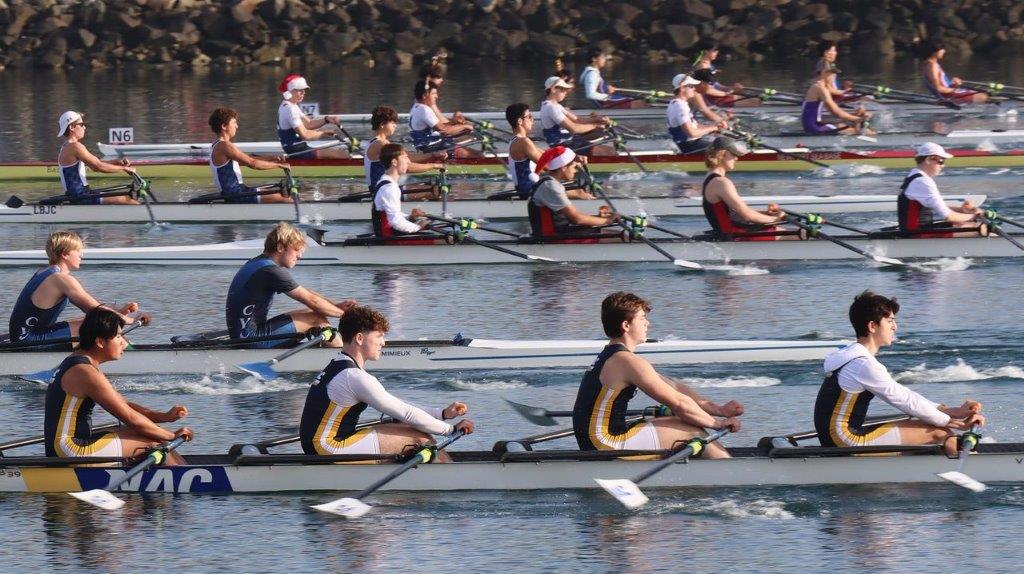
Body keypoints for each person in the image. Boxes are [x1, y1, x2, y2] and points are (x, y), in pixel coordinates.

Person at [573, 292, 742, 458]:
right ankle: (732, 476)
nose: (648, 323)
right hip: (605, 443)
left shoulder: (614, 356)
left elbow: (675, 388)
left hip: (596, 440)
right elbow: (678, 403)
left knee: (682, 421)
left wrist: (719, 410)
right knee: (691, 430)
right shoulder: (627, 362)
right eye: (642, 318)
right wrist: (717, 424)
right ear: (626, 325)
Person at [815, 291, 984, 457]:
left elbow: (905, 395)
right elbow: (905, 401)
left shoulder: (851, 356)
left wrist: (949, 411)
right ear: (872, 326)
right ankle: (972, 469)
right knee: (938, 432)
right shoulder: (863, 365)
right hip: (844, 440)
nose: (895, 327)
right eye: (890, 321)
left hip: (836, 436)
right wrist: (952, 422)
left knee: (925, 423)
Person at [299, 305, 474, 460]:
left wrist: (442, 413)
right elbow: (406, 412)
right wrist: (450, 430)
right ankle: (449, 479)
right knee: (420, 439)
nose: (383, 342)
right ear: (359, 338)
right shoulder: (354, 377)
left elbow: (400, 408)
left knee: (403, 426)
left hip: (320, 444)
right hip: (327, 448)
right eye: (379, 336)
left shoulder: (339, 365)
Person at [44, 307, 192, 462]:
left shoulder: (81, 361)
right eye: (118, 337)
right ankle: (191, 481)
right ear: (100, 342)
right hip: (69, 450)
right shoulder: (84, 371)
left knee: (150, 433)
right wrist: (172, 436)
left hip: (66, 446)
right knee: (154, 441)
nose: (124, 343)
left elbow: (124, 404)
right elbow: (131, 419)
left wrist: (165, 417)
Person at [226, 222, 356, 349]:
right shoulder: (270, 270)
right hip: (250, 339)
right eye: (296, 250)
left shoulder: (260, 263)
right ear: (280, 247)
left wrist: (335, 306)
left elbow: (307, 293)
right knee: (315, 317)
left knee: (313, 312)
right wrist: (348, 315)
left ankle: (333, 351)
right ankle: (341, 358)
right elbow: (312, 300)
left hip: (245, 335)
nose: (299, 256)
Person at [8, 231, 146, 348]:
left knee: (93, 321)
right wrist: (129, 320)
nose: (82, 255)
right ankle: (133, 356)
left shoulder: (44, 272)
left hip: (25, 335)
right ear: (65, 254)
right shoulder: (61, 280)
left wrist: (118, 312)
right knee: (104, 324)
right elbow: (95, 310)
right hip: (27, 340)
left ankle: (125, 350)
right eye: (78, 251)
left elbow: (93, 307)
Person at [702, 137, 798, 241]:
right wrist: (775, 218)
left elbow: (735, 214)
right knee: (801, 234)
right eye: (733, 154)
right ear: (722, 154)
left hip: (731, 231)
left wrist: (766, 214)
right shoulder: (721, 183)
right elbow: (747, 216)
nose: (736, 158)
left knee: (789, 231)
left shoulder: (709, 178)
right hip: (735, 234)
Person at [505, 103, 596, 201]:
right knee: (578, 192)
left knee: (574, 186)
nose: (532, 120)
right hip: (530, 191)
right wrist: (571, 162)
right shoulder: (522, 142)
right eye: (529, 117)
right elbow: (548, 165)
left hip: (534, 188)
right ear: (520, 121)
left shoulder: (519, 140)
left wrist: (574, 157)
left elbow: (547, 154)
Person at [208, 107, 293, 204]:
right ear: (224, 126)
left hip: (238, 191)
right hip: (235, 194)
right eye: (234, 123)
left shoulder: (218, 144)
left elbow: (249, 159)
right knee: (284, 199)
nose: (237, 126)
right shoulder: (224, 146)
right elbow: (253, 163)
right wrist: (278, 165)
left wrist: (272, 158)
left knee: (282, 192)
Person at [897, 142, 984, 236]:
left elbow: (936, 206)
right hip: (916, 235)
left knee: (965, 224)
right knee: (981, 228)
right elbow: (949, 217)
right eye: (941, 161)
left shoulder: (913, 175)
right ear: (928, 160)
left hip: (916, 230)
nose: (943, 165)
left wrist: (962, 210)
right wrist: (976, 216)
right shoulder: (923, 182)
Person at [528, 146, 617, 238]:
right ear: (563, 167)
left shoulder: (550, 183)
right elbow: (577, 219)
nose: (575, 171)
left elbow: (572, 219)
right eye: (574, 167)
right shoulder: (550, 186)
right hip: (551, 237)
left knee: (611, 232)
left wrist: (599, 218)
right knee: (621, 237)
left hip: (559, 232)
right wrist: (608, 221)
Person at [56, 111, 140, 205]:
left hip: (80, 194)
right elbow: (98, 167)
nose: (84, 127)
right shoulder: (74, 147)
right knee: (126, 200)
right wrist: (124, 168)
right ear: (71, 127)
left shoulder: (68, 146)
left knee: (127, 198)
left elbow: (95, 164)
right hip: (80, 196)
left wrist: (116, 162)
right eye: (81, 124)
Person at [363, 106, 445, 196]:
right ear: (382, 124)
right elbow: (407, 166)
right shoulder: (380, 144)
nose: (395, 125)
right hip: (382, 191)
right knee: (436, 191)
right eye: (392, 122)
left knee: (433, 188)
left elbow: (408, 158)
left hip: (384, 188)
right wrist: (434, 165)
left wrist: (433, 155)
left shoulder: (377, 142)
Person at [371, 143, 442, 242]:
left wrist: (410, 217)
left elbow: (392, 216)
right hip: (389, 239)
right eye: (405, 157)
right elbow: (395, 222)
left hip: (389, 234)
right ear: (394, 162)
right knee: (445, 240)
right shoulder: (389, 188)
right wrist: (418, 227)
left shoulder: (385, 182)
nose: (408, 161)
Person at [276, 74, 348, 159]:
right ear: (290, 91)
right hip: (298, 151)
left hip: (298, 149)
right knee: (342, 154)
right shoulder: (290, 109)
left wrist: (326, 119)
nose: (303, 93)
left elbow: (309, 124)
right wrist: (324, 133)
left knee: (338, 151)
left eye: (304, 90)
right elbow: (305, 135)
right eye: (300, 90)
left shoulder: (291, 105)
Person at [540, 76, 615, 156]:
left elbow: (577, 120)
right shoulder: (551, 108)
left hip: (570, 142)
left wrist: (598, 119)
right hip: (563, 146)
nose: (566, 92)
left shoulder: (556, 105)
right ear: (553, 89)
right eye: (563, 89)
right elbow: (574, 128)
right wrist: (595, 126)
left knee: (605, 141)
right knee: (610, 152)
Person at [408, 80, 480, 158]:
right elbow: (444, 130)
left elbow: (439, 126)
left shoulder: (416, 107)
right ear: (425, 95)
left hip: (430, 145)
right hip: (435, 147)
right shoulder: (425, 110)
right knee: (478, 155)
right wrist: (465, 126)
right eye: (434, 94)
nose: (437, 96)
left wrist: (455, 123)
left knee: (471, 148)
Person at [802, 65, 873, 136]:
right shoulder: (820, 88)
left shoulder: (820, 86)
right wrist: (856, 119)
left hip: (815, 125)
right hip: (815, 128)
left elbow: (836, 93)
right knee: (868, 132)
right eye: (833, 74)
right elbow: (835, 112)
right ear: (824, 73)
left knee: (849, 122)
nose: (834, 77)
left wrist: (851, 94)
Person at [667, 73, 726, 154]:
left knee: (723, 142)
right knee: (725, 149)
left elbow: (695, 126)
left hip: (693, 143)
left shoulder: (680, 104)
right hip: (688, 146)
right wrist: (712, 129)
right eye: (691, 86)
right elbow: (692, 133)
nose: (694, 89)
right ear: (682, 88)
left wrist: (714, 127)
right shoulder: (680, 106)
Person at [690, 42, 754, 107]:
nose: (717, 52)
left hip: (716, 96)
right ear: (706, 52)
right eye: (714, 50)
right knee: (754, 101)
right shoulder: (703, 67)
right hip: (711, 100)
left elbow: (716, 85)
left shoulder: (709, 66)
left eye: (717, 50)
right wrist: (726, 93)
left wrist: (731, 88)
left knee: (755, 98)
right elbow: (707, 91)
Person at [923, 42, 987, 104]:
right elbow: (938, 88)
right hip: (947, 96)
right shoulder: (932, 66)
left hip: (948, 94)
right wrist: (954, 89)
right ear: (934, 52)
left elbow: (943, 85)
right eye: (941, 49)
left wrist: (954, 84)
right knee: (983, 96)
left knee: (980, 93)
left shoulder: (930, 64)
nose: (944, 51)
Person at [579, 48, 645, 109]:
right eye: (602, 57)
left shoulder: (593, 73)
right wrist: (607, 96)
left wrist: (608, 90)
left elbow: (599, 89)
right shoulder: (592, 74)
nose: (604, 59)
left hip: (606, 101)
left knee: (637, 99)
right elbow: (590, 94)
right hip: (605, 103)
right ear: (594, 59)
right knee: (640, 103)